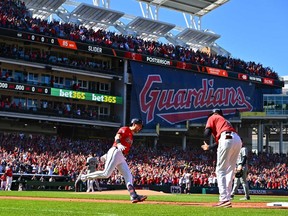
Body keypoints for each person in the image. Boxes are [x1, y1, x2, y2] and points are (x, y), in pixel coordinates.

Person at [79, 118, 147, 203]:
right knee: (106, 174)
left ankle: (133, 196)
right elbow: (117, 136)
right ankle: (84, 177)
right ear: (134, 124)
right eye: (139, 125)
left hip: (121, 156)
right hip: (116, 151)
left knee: (129, 176)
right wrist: (118, 144)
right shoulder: (125, 129)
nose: (140, 128)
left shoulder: (131, 135)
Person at [201, 109, 242, 208]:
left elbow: (206, 134)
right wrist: (210, 147)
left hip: (226, 139)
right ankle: (227, 198)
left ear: (214, 113)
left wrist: (206, 128)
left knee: (220, 170)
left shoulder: (213, 117)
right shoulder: (225, 121)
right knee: (229, 171)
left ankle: (223, 199)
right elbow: (222, 140)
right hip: (237, 140)